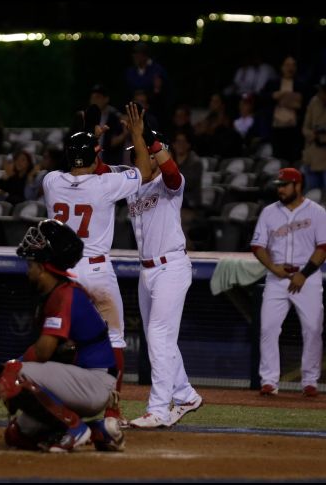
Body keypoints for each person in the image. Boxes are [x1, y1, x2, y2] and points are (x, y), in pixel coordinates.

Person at [43, 120, 154, 422]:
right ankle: (112, 411)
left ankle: (64, 409)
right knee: (114, 339)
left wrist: (92, 144)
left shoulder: (51, 182)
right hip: (97, 271)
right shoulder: (104, 185)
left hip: (64, 275)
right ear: (94, 157)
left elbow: (82, 165)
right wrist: (137, 135)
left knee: (63, 342)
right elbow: (144, 170)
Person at [0, 219, 125, 452]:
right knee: (17, 435)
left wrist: (13, 366)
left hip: (94, 382)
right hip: (81, 382)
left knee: (15, 373)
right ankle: (100, 431)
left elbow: (43, 352)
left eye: (31, 265)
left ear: (44, 268)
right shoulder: (56, 292)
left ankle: (74, 427)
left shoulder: (64, 295)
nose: (28, 270)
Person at [121, 103, 203, 428]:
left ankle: (158, 409)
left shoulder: (171, 184)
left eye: (143, 152)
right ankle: (185, 395)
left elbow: (170, 171)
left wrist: (151, 138)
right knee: (162, 338)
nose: (137, 156)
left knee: (158, 333)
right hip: (147, 271)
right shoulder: (133, 187)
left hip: (171, 265)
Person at [250, 167, 326, 397]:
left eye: (285, 184)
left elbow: (325, 246)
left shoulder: (316, 212)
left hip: (307, 277)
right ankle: (269, 381)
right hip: (277, 277)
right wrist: (273, 268)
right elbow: (257, 246)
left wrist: (304, 273)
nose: (281, 189)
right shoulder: (269, 212)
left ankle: (310, 380)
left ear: (298, 185)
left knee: (313, 328)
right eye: (279, 185)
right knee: (268, 327)